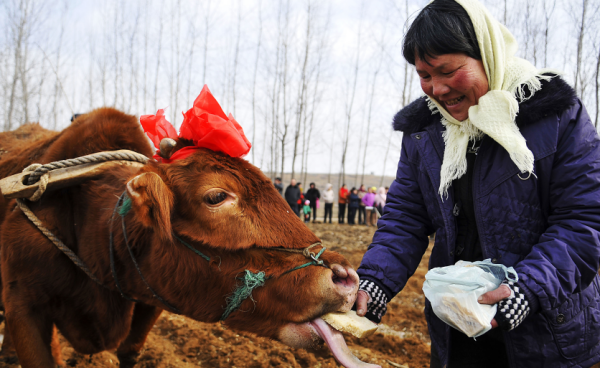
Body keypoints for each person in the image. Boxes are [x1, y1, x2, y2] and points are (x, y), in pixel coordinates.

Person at [355, 1, 600, 367]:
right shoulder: (425, 133)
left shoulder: (555, 115)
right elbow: (405, 218)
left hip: (547, 332)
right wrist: (375, 280)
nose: (436, 89)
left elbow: (584, 220)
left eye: (447, 71)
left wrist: (527, 288)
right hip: (459, 328)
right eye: (424, 75)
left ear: (486, 54)